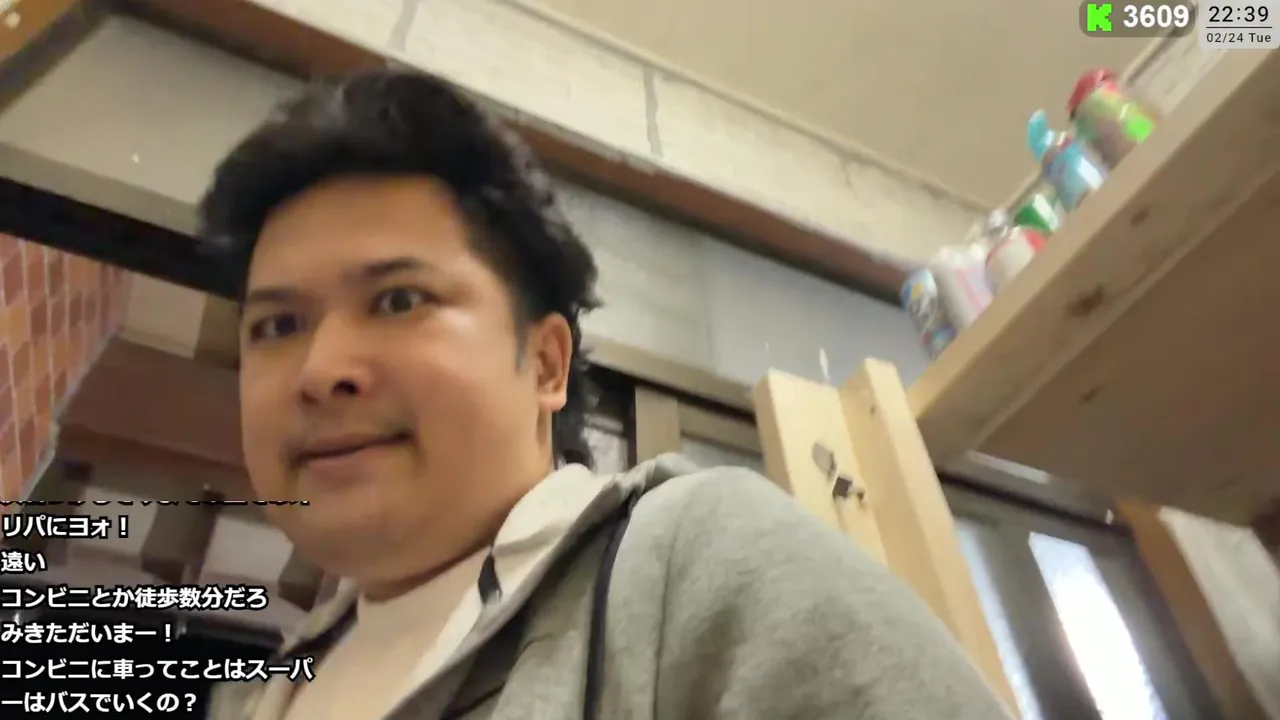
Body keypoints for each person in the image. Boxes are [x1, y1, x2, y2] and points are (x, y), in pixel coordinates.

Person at [199, 69, 1012, 720]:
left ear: (546, 365)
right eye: (278, 326)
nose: (320, 370)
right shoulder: (254, 697)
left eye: (398, 300)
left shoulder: (696, 563)